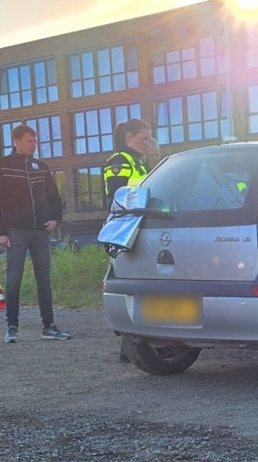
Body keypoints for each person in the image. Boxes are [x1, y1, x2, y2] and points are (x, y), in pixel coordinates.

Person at [0, 124, 70, 343]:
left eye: (35, 141)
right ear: (16, 141)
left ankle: (49, 327)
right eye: (29, 141)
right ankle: (12, 328)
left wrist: (56, 219)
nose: (33, 145)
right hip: (15, 231)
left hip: (40, 231)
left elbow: (54, 196)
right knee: (13, 280)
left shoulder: (41, 167)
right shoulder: (2, 166)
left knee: (44, 279)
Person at [103, 119, 152, 363]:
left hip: (142, 229)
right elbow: (117, 196)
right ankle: (127, 343)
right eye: (144, 138)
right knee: (128, 285)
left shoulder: (140, 162)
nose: (148, 143)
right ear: (129, 137)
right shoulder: (120, 161)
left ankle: (144, 338)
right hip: (126, 231)